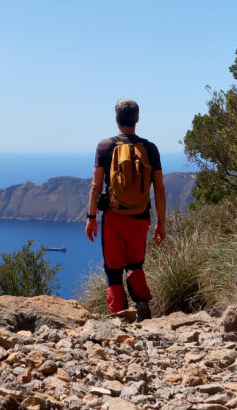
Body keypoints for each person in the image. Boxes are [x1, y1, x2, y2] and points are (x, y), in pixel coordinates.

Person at [85, 99, 166, 321]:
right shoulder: (150, 148)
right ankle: (141, 304)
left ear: (117, 119)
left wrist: (91, 217)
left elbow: (95, 186)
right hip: (141, 217)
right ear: (137, 119)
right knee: (135, 263)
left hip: (113, 217)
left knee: (113, 269)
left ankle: (120, 317)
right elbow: (159, 188)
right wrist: (161, 222)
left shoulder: (105, 146)